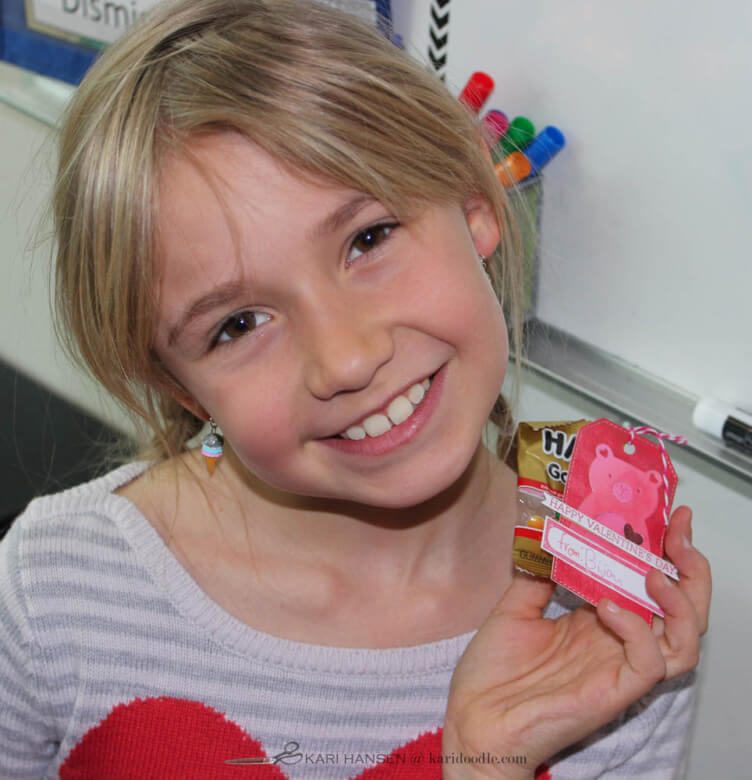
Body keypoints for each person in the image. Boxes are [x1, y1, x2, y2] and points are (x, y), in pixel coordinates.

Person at [0, 0, 710, 777]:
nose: (345, 359)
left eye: (368, 239)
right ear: (184, 389)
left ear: (476, 207)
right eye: (238, 324)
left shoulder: (606, 616)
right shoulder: (56, 592)